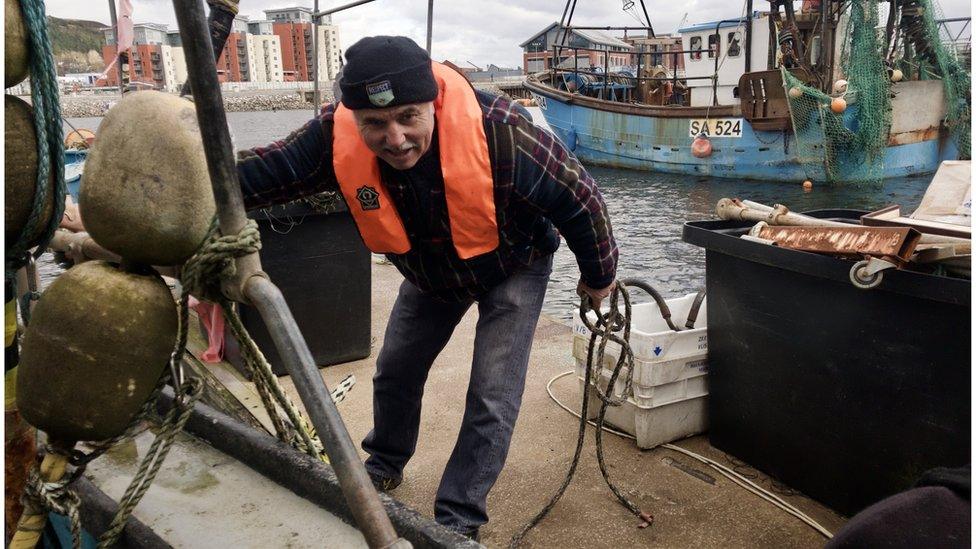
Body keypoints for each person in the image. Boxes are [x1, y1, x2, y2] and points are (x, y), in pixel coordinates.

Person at [236, 36, 618, 540]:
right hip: (432, 271)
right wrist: (175, 184)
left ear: (433, 104)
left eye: (408, 117)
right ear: (355, 120)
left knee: (491, 394)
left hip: (513, 264)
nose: (394, 138)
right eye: (374, 124)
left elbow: (581, 200)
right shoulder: (334, 136)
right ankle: (386, 461)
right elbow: (265, 172)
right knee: (395, 368)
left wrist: (598, 278)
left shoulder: (504, 132)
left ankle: (458, 518)